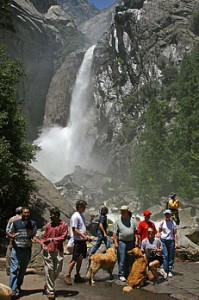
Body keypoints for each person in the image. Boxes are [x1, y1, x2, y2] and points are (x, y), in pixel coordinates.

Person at [7, 207, 37, 297]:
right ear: (21, 213)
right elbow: (8, 232)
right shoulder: (15, 223)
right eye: (24, 213)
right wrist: (11, 236)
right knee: (14, 269)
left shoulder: (33, 224)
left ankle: (18, 285)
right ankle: (12, 290)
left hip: (26, 250)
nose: (26, 214)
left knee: (22, 270)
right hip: (16, 249)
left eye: (27, 213)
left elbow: (34, 234)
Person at [40, 208, 68, 299]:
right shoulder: (48, 225)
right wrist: (43, 243)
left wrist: (52, 239)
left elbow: (63, 237)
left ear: (56, 216)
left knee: (58, 269)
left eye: (51, 215)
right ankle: (51, 291)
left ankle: (48, 284)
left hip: (58, 250)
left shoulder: (64, 225)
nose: (49, 216)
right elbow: (44, 236)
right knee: (49, 269)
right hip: (48, 250)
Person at [64, 200, 91, 285]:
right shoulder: (75, 216)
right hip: (77, 241)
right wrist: (83, 236)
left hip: (82, 241)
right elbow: (74, 229)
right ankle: (67, 275)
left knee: (80, 258)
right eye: (83, 206)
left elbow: (82, 228)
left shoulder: (81, 216)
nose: (85, 208)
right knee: (74, 259)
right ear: (79, 206)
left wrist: (86, 235)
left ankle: (77, 275)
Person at [113, 205, 139, 282]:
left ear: (127, 212)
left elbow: (136, 232)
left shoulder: (132, 220)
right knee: (122, 258)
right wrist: (115, 243)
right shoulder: (117, 220)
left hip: (131, 242)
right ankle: (121, 274)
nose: (123, 213)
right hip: (122, 242)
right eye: (122, 211)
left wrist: (137, 240)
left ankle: (129, 273)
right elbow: (114, 233)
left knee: (130, 258)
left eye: (124, 211)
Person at [158, 209, 178, 278]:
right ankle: (165, 271)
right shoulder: (162, 222)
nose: (167, 215)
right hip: (163, 240)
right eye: (166, 214)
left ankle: (169, 270)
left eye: (168, 214)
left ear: (170, 215)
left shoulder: (173, 223)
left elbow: (175, 234)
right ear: (164, 215)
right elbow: (159, 232)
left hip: (171, 241)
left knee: (171, 256)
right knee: (165, 256)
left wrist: (176, 243)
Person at [5, 207, 22, 276]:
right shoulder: (23, 219)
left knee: (9, 254)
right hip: (21, 240)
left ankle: (8, 269)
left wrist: (10, 235)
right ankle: (18, 269)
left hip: (12, 239)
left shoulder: (12, 218)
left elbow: (7, 230)